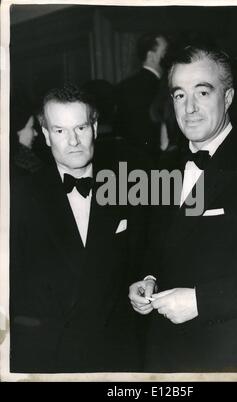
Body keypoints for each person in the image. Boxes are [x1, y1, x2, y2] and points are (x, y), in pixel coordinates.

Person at [129, 44, 237, 372]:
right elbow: (158, 244)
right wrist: (147, 279)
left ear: (228, 98)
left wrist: (198, 301)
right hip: (169, 355)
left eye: (202, 92)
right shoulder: (164, 166)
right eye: (179, 95)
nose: (188, 107)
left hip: (235, 356)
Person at [10, 84, 145, 373]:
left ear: (95, 128)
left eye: (80, 128)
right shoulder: (18, 197)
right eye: (59, 131)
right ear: (45, 136)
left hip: (116, 354)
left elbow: (145, 254)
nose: (73, 141)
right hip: (50, 356)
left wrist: (146, 278)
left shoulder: (128, 184)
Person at [115, 33, 168, 160]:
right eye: (165, 51)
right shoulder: (162, 88)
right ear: (151, 56)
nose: (168, 56)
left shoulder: (123, 86)